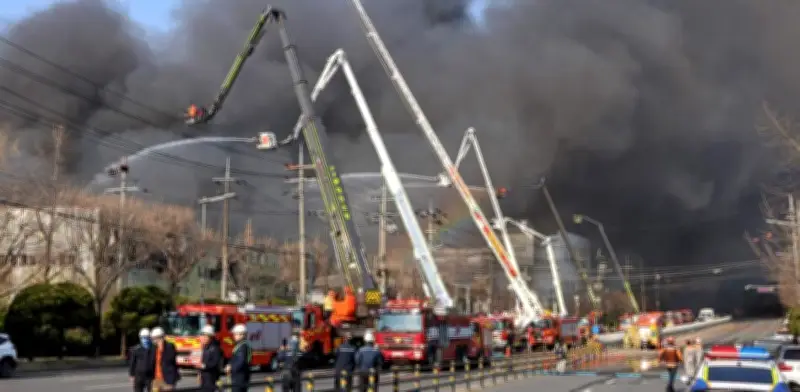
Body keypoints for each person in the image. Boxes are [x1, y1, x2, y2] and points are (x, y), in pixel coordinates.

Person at [226, 324, 252, 392]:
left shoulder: (243, 346)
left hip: (240, 376)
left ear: (242, 335)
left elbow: (240, 361)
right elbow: (235, 358)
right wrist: (229, 364)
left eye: (235, 334)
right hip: (240, 375)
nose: (234, 336)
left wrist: (231, 368)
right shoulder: (241, 345)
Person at [197, 325, 222, 392]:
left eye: (205, 336)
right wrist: (199, 373)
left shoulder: (215, 348)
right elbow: (203, 360)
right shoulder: (205, 347)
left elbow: (215, 363)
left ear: (211, 337)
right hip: (204, 376)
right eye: (202, 336)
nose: (203, 338)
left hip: (211, 377)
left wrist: (204, 366)